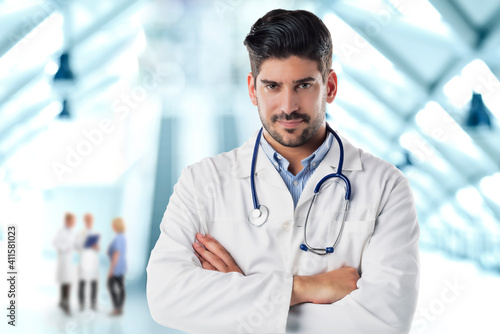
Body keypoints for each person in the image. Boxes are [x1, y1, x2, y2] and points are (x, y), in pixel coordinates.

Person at [147, 9, 419, 334]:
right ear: (252, 89)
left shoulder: (385, 186)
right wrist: (304, 288)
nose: (288, 105)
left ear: (329, 86)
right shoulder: (201, 182)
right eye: (272, 86)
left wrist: (242, 300)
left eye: (303, 85)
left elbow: (386, 321)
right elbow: (166, 297)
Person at [75, 213, 100, 311]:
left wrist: (95, 247)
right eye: (87, 220)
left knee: (93, 282)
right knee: (82, 282)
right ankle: (81, 303)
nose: (89, 222)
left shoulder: (95, 233)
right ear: (85, 221)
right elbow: (77, 246)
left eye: (91, 220)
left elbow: (98, 248)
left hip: (93, 260)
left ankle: (93, 303)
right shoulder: (80, 233)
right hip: (84, 259)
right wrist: (85, 245)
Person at [53, 212, 76, 315]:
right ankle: (65, 304)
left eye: (74, 221)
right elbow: (55, 242)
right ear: (67, 221)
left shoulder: (71, 232)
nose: (73, 222)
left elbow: (73, 244)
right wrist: (64, 249)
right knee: (66, 281)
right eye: (71, 220)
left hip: (69, 260)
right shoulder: (61, 231)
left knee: (66, 281)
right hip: (63, 259)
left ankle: (62, 302)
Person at [107, 217, 127, 316]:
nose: (112, 226)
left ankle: (117, 307)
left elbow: (116, 253)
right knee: (120, 286)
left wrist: (111, 269)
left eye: (113, 224)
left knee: (110, 285)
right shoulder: (122, 237)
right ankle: (119, 307)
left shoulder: (118, 238)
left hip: (117, 266)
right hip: (122, 265)